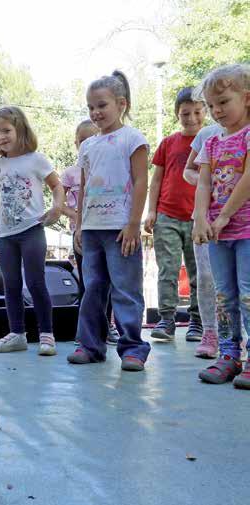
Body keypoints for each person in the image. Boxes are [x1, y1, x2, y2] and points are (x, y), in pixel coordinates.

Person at [66, 70, 151, 372]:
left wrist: (133, 223)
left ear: (121, 104)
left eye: (102, 105)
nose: (95, 112)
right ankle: (90, 345)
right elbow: (85, 187)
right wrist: (78, 224)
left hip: (120, 228)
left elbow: (141, 181)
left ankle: (133, 348)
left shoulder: (132, 138)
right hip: (92, 229)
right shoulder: (88, 146)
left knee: (125, 288)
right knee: (93, 287)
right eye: (91, 107)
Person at [0, 106, 65, 356]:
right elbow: (3, 193)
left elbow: (57, 185)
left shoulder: (36, 160)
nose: (1, 138)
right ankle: (17, 334)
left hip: (32, 229)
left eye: (6, 131)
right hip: (7, 236)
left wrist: (57, 208)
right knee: (10, 284)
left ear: (20, 130)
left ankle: (47, 335)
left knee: (35, 282)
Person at [191, 64, 250, 388]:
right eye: (211, 106)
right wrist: (201, 216)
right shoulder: (212, 142)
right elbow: (203, 183)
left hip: (245, 230)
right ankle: (229, 354)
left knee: (248, 294)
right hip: (218, 233)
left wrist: (225, 214)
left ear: (247, 98)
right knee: (224, 295)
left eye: (223, 102)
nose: (216, 111)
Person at [144, 87, 205, 342]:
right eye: (185, 113)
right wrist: (151, 211)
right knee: (168, 270)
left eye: (197, 112)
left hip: (197, 218)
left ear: (206, 112)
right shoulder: (168, 143)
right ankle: (167, 319)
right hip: (167, 216)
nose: (191, 118)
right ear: (177, 115)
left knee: (198, 272)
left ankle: (198, 321)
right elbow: (156, 179)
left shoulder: (210, 139)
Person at [61, 119, 120, 345]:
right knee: (89, 282)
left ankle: (108, 326)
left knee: (109, 280)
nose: (86, 143)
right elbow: (61, 202)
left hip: (105, 229)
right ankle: (87, 330)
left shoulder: (106, 168)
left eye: (90, 138)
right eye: (81, 140)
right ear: (76, 144)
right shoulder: (70, 173)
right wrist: (75, 216)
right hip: (82, 233)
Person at [183, 122, 225, 359]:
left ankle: (236, 336)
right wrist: (206, 180)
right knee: (207, 277)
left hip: (242, 220)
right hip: (207, 217)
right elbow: (188, 170)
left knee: (241, 282)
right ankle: (210, 331)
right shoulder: (207, 134)